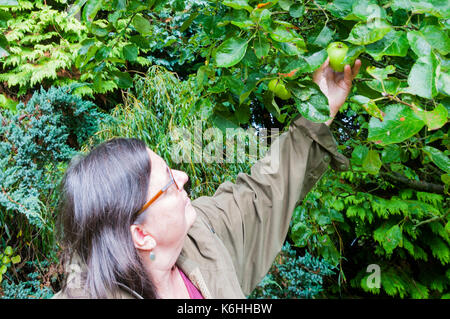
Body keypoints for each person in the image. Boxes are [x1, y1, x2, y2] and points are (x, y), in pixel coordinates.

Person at [53, 58, 361, 299]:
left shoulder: (202, 235)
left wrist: (317, 112)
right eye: (169, 183)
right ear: (141, 235)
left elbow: (262, 195)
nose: (183, 177)